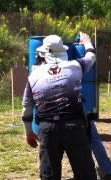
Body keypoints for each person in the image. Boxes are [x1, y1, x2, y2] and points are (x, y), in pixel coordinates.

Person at [21, 32, 97, 179]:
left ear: (43, 54)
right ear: (63, 52)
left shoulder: (34, 75)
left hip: (48, 129)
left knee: (49, 174)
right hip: (74, 126)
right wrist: (87, 42)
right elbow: (91, 57)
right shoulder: (76, 66)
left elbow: (27, 108)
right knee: (85, 173)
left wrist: (29, 131)